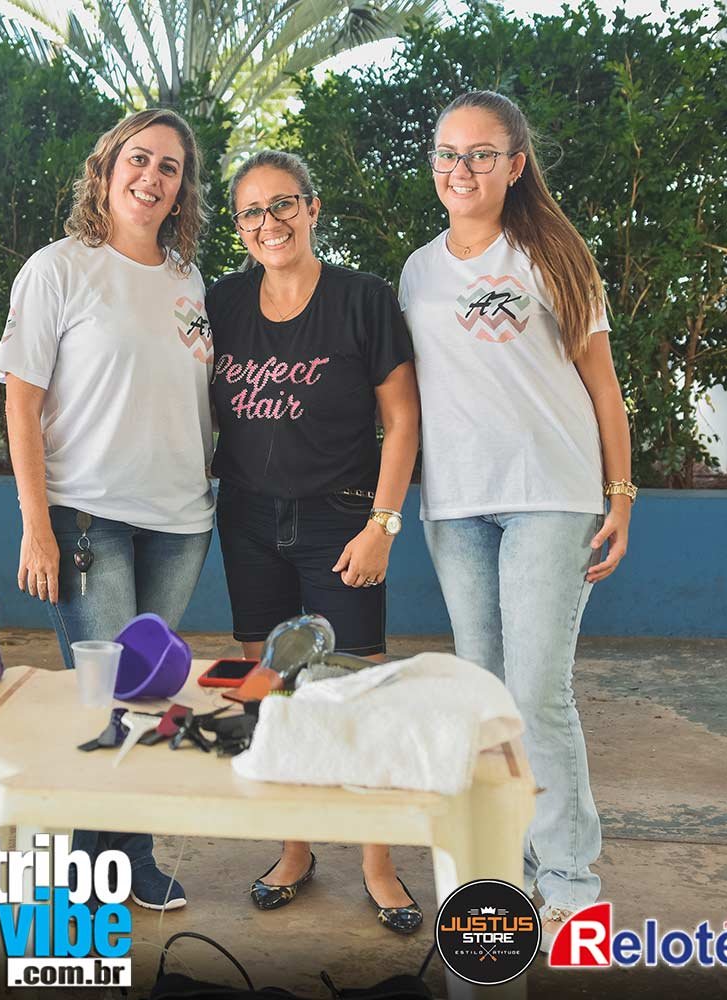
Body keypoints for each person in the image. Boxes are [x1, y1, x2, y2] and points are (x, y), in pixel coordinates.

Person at [398, 90, 635, 948]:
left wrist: (622, 493)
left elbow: (604, 386)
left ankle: (570, 882)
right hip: (456, 505)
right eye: (448, 154)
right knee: (489, 698)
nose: (461, 169)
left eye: (481, 154)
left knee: (537, 692)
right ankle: (510, 867)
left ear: (515, 165)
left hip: (551, 495)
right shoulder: (418, 272)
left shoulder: (554, 256)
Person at [0, 108, 215, 911]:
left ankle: (119, 859)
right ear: (107, 169)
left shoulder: (188, 279)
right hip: (89, 520)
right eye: (139, 160)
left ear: (182, 190)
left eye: (169, 168)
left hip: (182, 523)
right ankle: (100, 870)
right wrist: (37, 527)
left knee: (146, 692)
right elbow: (21, 406)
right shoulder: (58, 268)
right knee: (111, 691)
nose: (152, 177)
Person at [207, 150, 424, 932]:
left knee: (354, 692)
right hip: (248, 519)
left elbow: (402, 418)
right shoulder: (222, 301)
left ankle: (378, 864)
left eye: (283, 205)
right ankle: (294, 849)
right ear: (239, 226)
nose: (268, 223)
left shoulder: (363, 299)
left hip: (342, 519)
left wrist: (383, 524)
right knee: (277, 693)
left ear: (312, 208)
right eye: (251, 211)